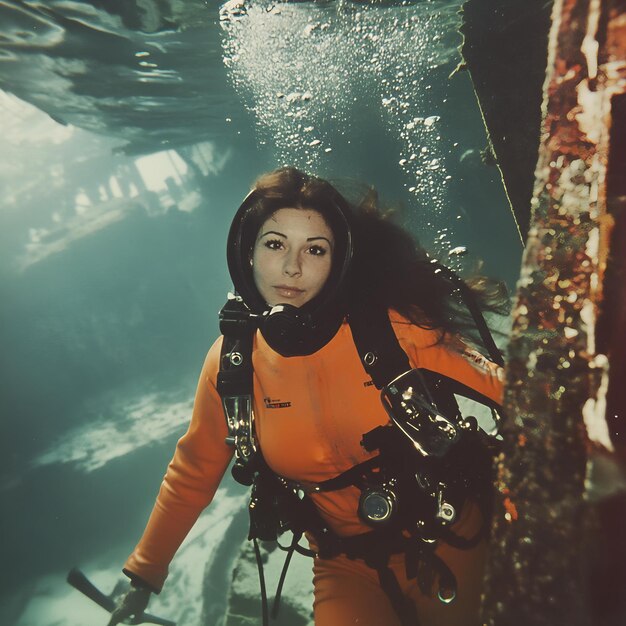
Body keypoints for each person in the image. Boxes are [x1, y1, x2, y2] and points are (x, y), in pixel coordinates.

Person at [111, 167, 509, 626]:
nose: (292, 267)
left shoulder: (394, 331)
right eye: (275, 243)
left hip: (453, 538)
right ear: (247, 252)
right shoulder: (231, 365)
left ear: (339, 262)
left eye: (315, 250)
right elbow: (192, 471)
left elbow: (512, 395)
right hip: (345, 567)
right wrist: (144, 575)